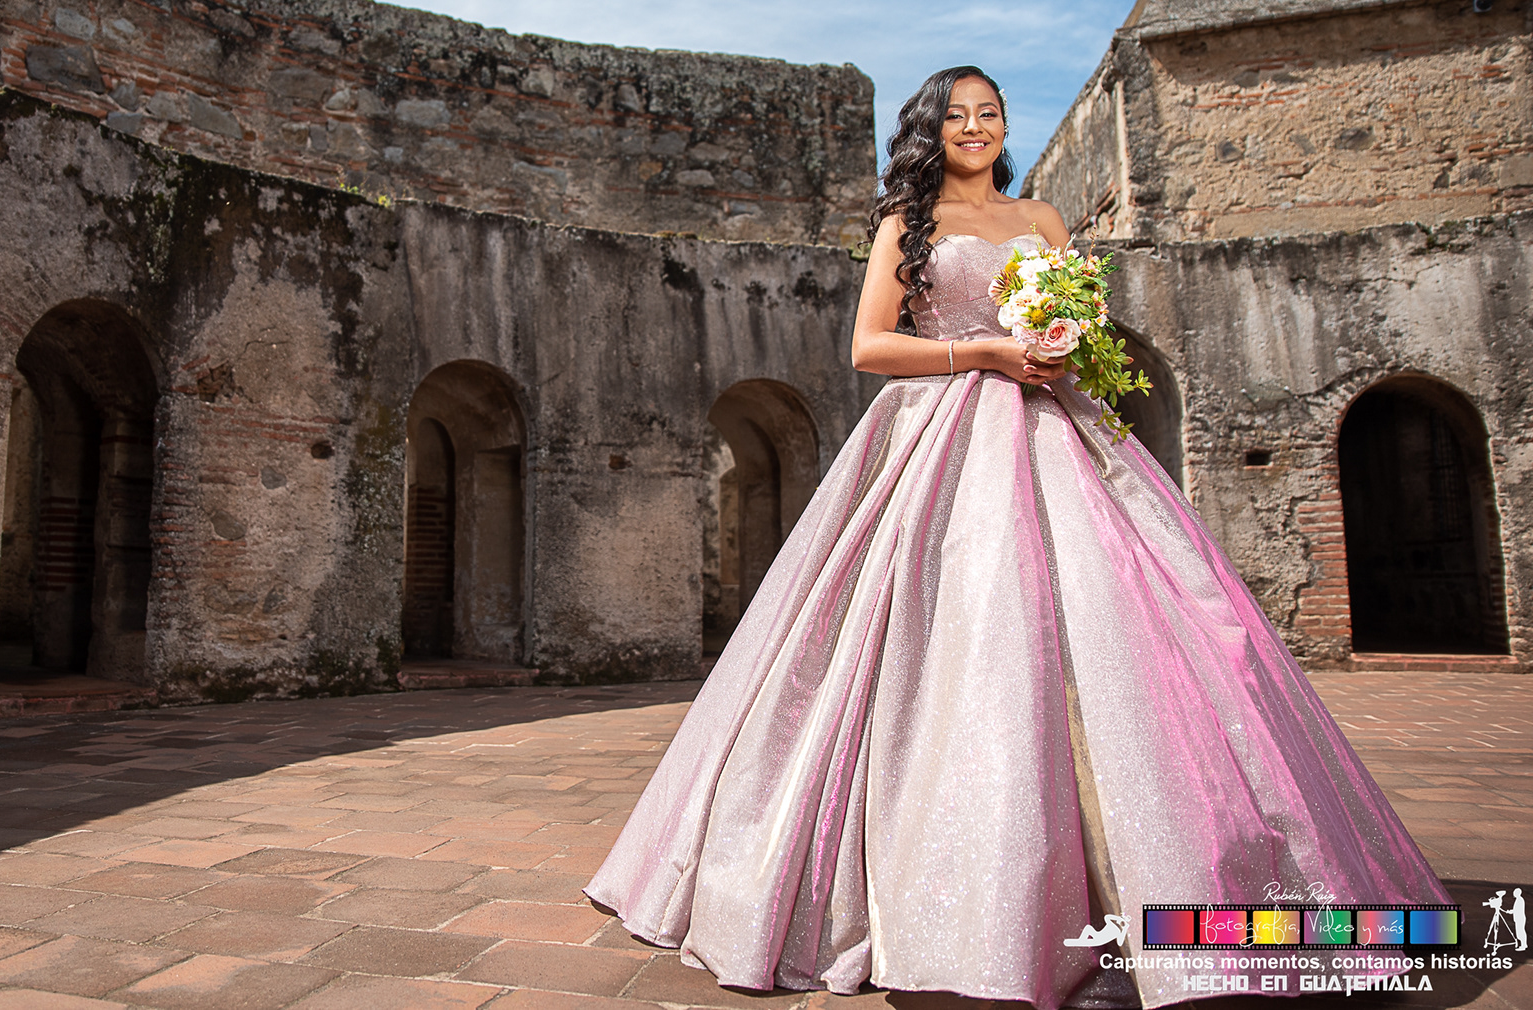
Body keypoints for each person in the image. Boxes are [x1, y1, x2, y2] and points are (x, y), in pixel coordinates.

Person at [585, 66, 1449, 1008]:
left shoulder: (1040, 219)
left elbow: (1082, 325)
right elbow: (871, 346)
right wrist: (987, 352)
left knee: (1144, 625)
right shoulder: (905, 228)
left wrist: (1062, 348)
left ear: (1005, 127)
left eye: (989, 113)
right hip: (943, 438)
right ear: (931, 130)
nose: (974, 127)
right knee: (962, 634)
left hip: (1057, 432)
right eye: (956, 115)